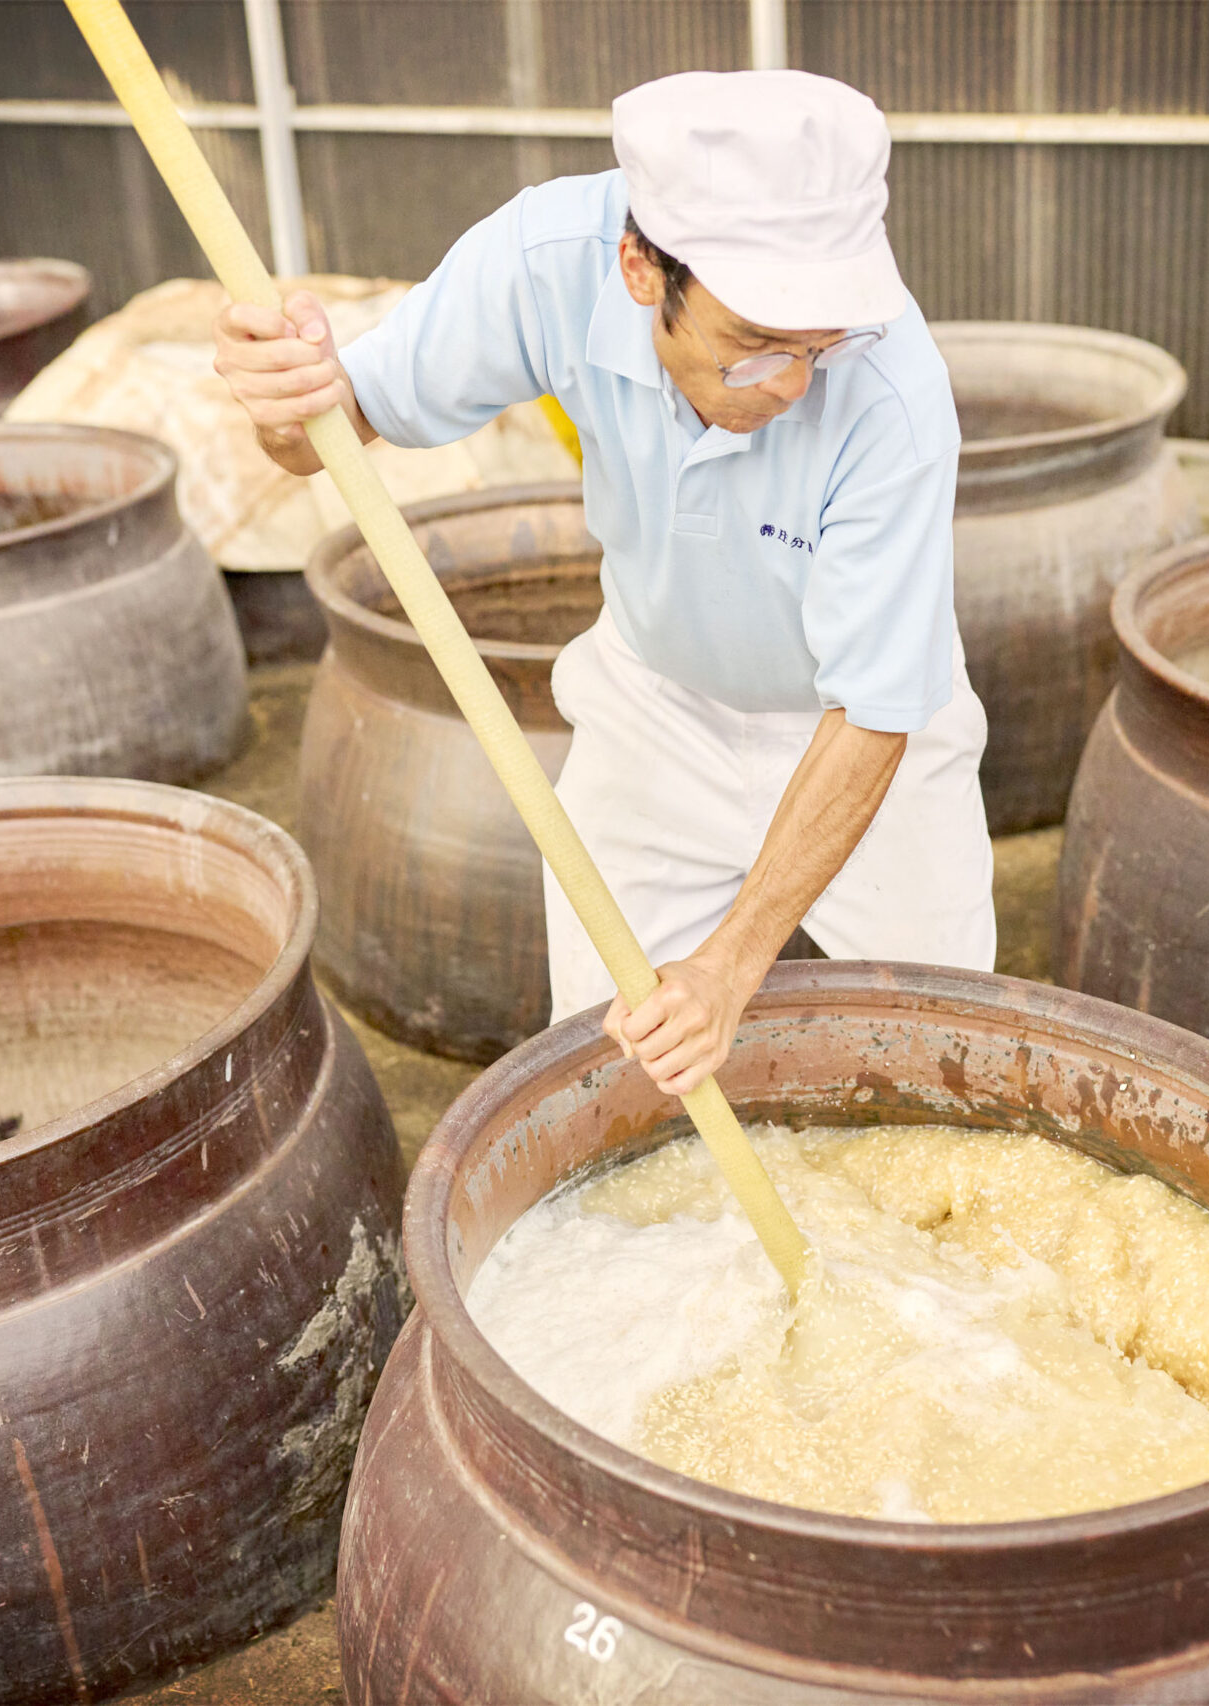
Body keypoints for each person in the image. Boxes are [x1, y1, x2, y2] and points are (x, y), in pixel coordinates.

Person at [213, 69, 994, 1097]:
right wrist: (288, 401)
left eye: (817, 346)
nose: (791, 384)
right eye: (753, 346)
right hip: (658, 702)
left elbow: (876, 707)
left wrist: (729, 966)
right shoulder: (546, 262)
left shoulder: (891, 393)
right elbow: (331, 429)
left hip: (861, 728)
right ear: (640, 268)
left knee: (946, 1057)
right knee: (613, 1062)